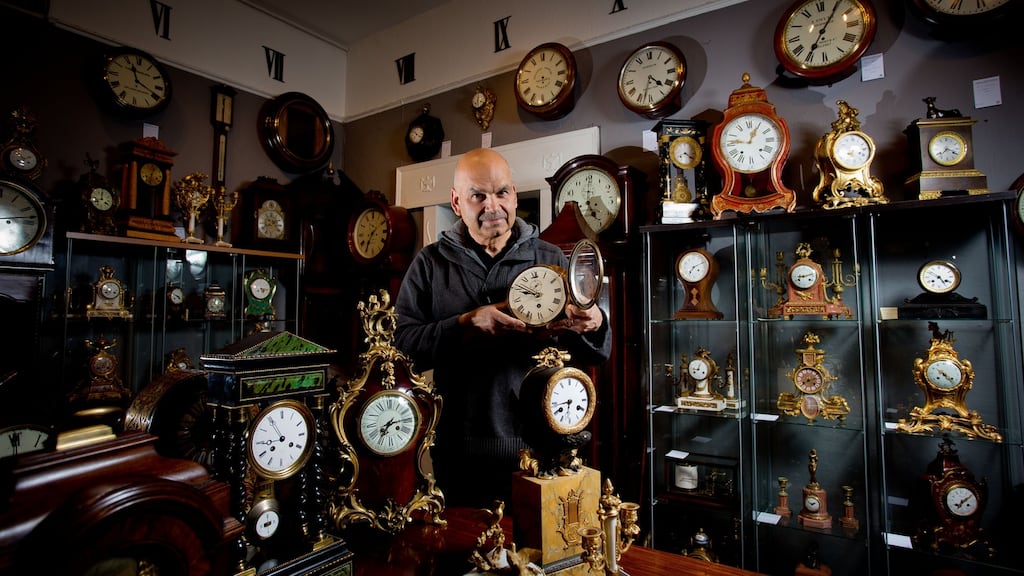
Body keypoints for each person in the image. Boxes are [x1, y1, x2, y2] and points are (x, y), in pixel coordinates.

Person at [394, 148, 611, 507]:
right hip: (458, 450)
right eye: (478, 195)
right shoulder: (430, 264)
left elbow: (592, 355)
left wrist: (594, 324)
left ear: (513, 194)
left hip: (540, 448)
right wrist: (465, 325)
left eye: (502, 193)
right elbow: (400, 350)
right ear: (457, 202)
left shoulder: (550, 258)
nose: (492, 206)